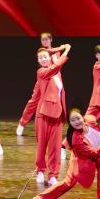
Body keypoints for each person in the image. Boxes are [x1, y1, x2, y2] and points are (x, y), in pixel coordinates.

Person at [31, 109, 100, 199]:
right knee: (67, 183)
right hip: (82, 159)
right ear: (70, 123)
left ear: (83, 117)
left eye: (78, 118)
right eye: (72, 120)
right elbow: (94, 154)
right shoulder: (77, 139)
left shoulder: (91, 121)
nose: (76, 122)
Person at [19, 43, 73, 185]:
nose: (43, 59)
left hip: (57, 114)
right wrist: (66, 50)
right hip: (43, 114)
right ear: (38, 61)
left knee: (55, 147)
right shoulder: (42, 72)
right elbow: (55, 67)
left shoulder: (57, 73)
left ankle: (53, 174)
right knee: (42, 145)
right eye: (40, 58)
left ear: (50, 57)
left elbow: (55, 65)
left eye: (45, 56)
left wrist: (58, 48)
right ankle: (40, 171)